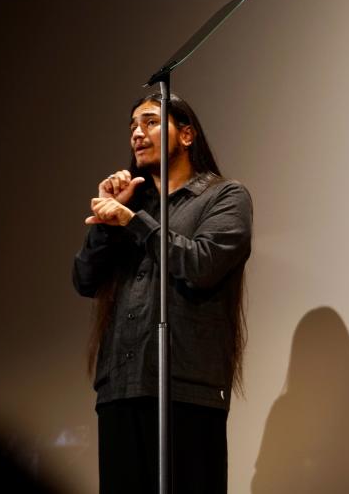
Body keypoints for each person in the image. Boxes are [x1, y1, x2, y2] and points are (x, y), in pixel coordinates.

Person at [72, 93, 252, 494]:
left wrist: (133, 221)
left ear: (186, 135)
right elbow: (84, 279)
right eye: (133, 126)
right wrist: (107, 221)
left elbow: (203, 265)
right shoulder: (132, 207)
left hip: (186, 388)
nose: (138, 133)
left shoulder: (224, 197)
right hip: (121, 387)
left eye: (151, 122)